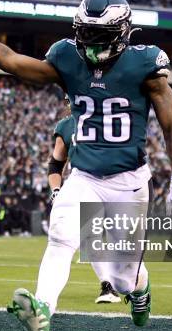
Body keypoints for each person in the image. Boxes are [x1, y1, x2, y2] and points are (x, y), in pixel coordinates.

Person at [0, 0, 172, 331]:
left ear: (122, 33)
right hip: (83, 175)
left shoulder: (145, 64)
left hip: (129, 182)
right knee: (60, 237)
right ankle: (42, 313)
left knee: (121, 279)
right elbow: (12, 62)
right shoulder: (67, 56)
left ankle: (140, 291)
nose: (90, 45)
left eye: (100, 37)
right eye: (86, 34)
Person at [48, 106, 121, 304]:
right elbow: (56, 163)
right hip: (84, 185)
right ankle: (108, 285)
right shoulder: (66, 125)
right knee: (88, 238)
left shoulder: (111, 114)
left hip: (118, 183)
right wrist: (56, 190)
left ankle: (126, 286)